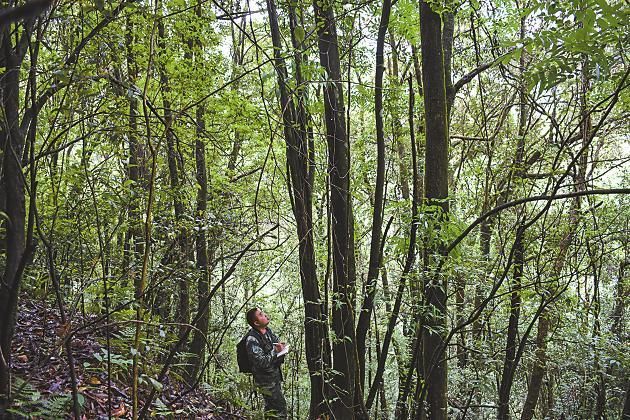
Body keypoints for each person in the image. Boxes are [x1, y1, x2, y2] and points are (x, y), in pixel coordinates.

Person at [244, 307, 288, 419]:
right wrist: (276, 351)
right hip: (266, 382)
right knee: (279, 409)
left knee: (271, 410)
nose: (265, 315)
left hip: (275, 377)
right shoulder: (252, 339)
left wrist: (281, 348)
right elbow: (261, 362)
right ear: (256, 322)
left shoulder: (268, 332)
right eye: (261, 314)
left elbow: (275, 347)